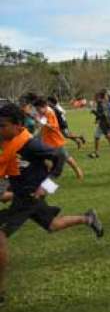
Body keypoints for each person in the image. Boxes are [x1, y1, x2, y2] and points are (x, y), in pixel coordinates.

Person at [0, 104, 103, 307]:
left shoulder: (31, 143)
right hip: (24, 194)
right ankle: (88, 218)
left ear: (18, 125)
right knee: (52, 225)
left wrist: (47, 186)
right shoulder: (11, 141)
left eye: (2, 126)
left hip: (28, 197)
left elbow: (59, 156)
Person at [33, 98, 84, 180]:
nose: (38, 111)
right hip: (47, 141)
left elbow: (54, 127)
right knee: (45, 158)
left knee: (66, 157)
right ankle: (48, 175)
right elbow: (42, 126)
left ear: (45, 107)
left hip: (56, 141)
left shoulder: (50, 113)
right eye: (36, 109)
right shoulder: (44, 114)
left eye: (38, 109)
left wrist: (41, 122)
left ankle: (77, 171)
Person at [89, 91, 110, 159]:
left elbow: (103, 115)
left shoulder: (104, 104)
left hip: (106, 123)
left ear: (99, 97)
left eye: (95, 97)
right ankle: (96, 152)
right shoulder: (100, 103)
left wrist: (93, 112)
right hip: (102, 123)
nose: (94, 98)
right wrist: (97, 119)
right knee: (96, 136)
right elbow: (101, 114)